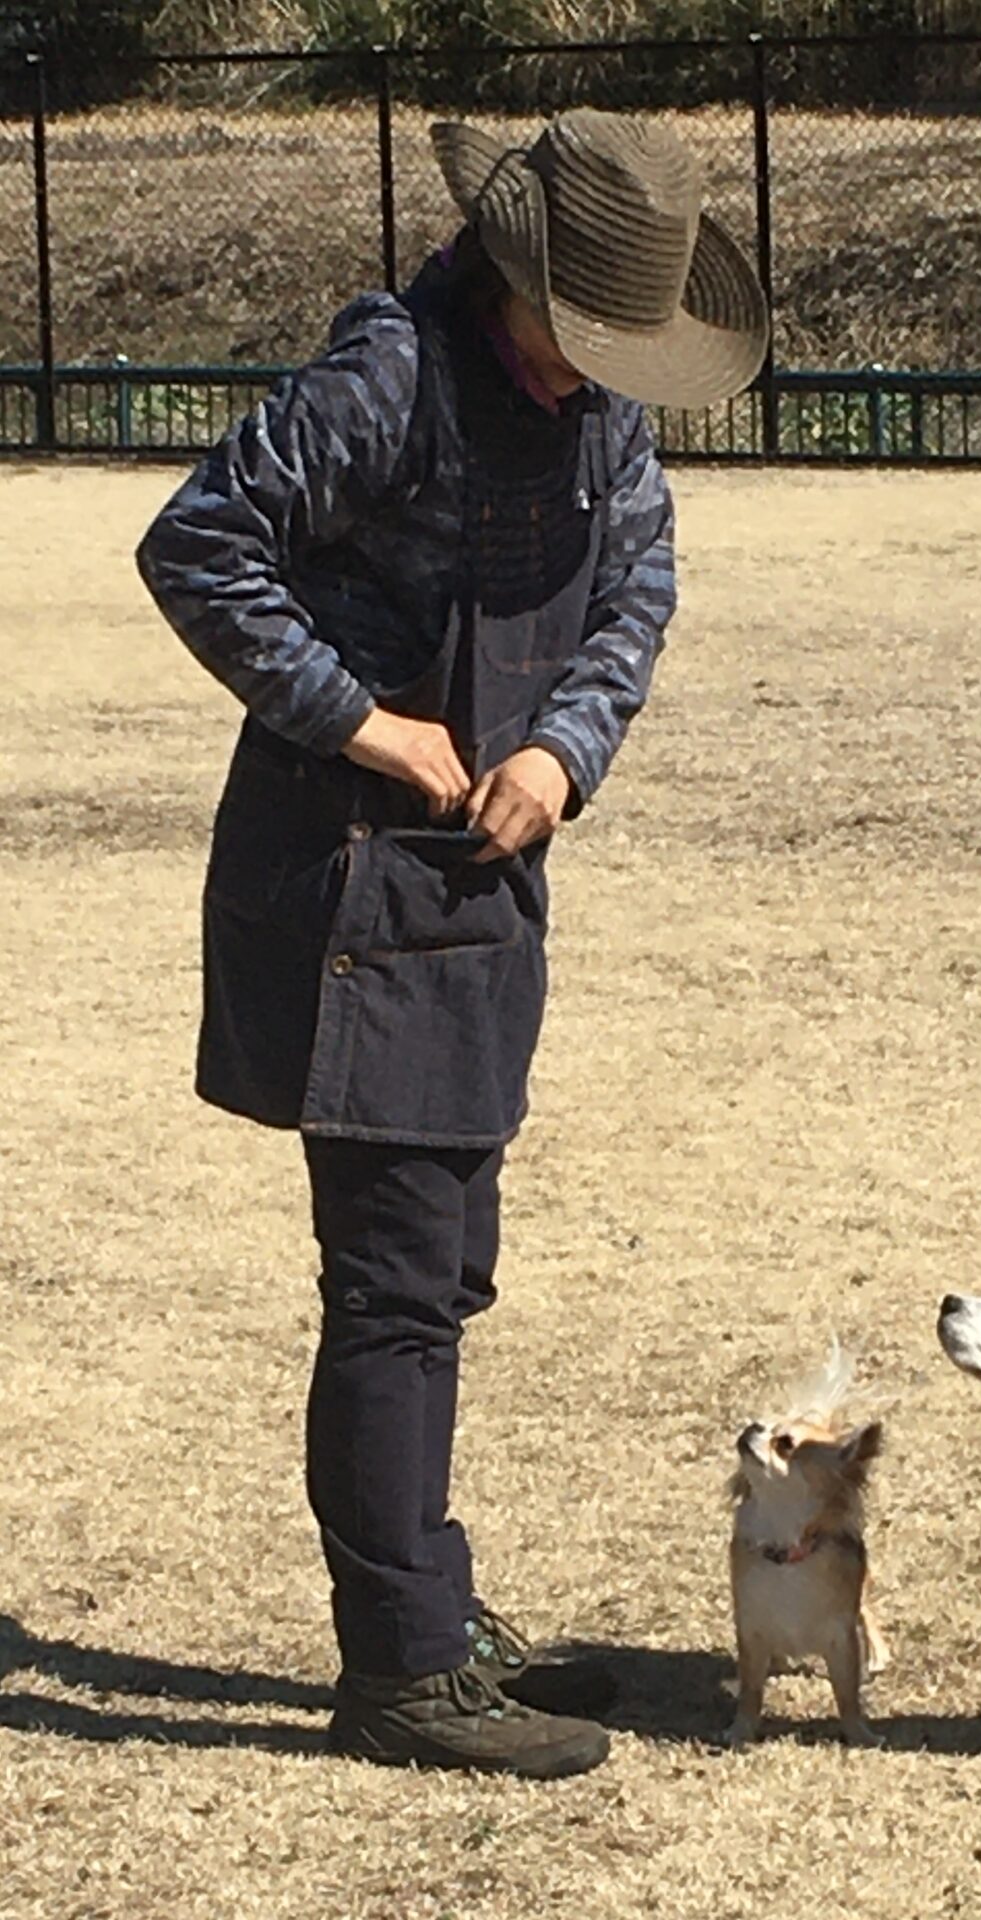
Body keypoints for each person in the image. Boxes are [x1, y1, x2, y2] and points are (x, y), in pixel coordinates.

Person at [136, 109, 768, 1778]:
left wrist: (562, 751)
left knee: (447, 1266)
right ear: (513, 275)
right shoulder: (389, 374)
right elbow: (196, 543)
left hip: (486, 879)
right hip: (348, 879)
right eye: (587, 328)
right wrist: (367, 723)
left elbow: (636, 591)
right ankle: (403, 1667)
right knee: (396, 1285)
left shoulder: (603, 413)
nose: (604, 369)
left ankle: (431, 1606)